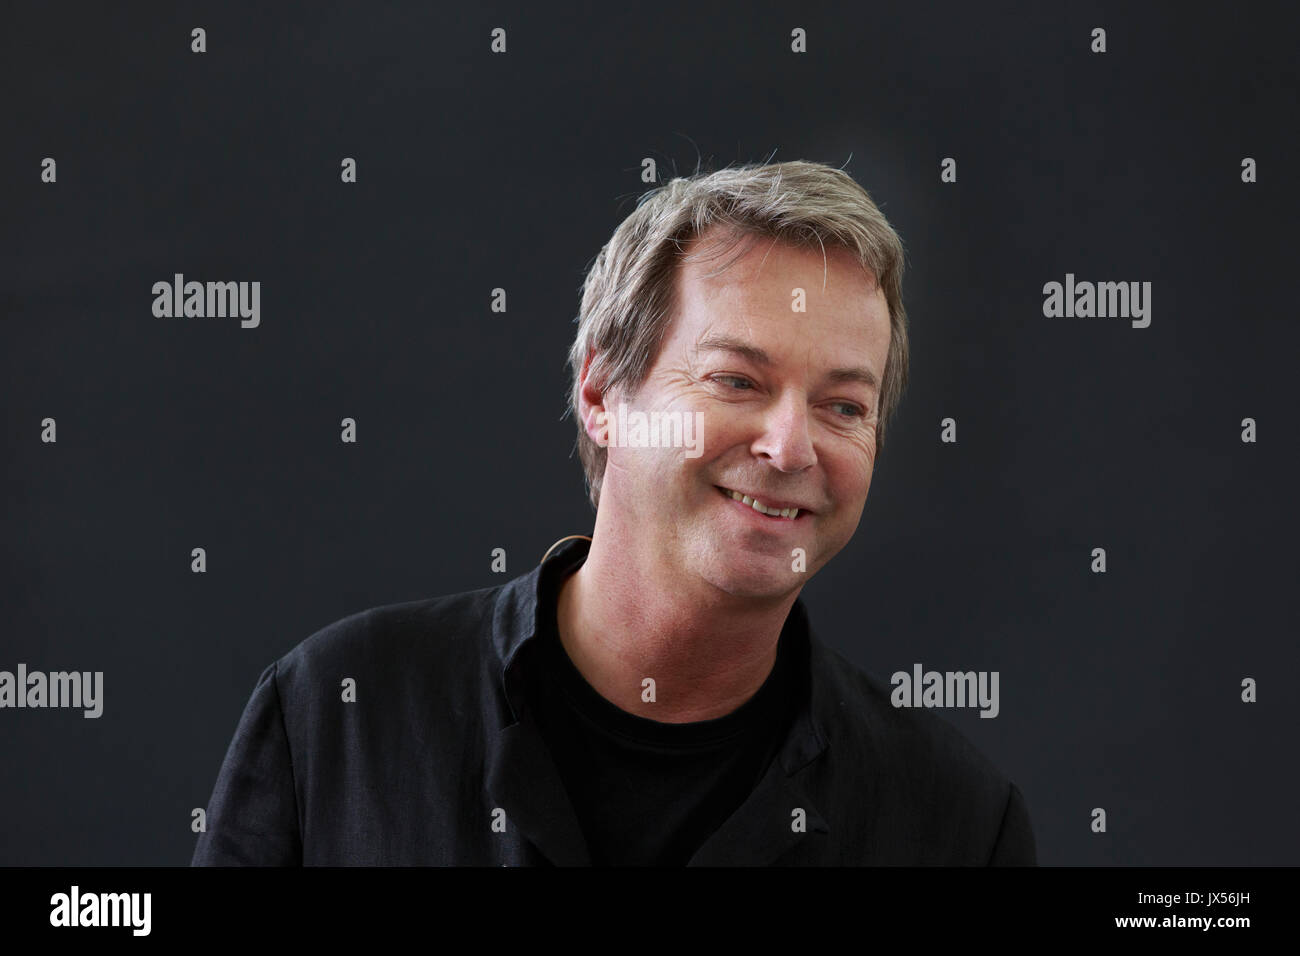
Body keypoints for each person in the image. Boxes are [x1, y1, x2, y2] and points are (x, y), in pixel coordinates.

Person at [192, 160, 1036, 866]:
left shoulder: (955, 826)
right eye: (736, 380)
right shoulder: (336, 718)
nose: (791, 446)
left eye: (844, 406)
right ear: (601, 394)